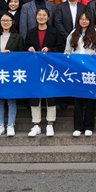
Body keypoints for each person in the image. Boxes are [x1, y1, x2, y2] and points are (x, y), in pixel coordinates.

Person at [25, 8, 65, 137]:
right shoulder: (31, 32)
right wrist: (29, 49)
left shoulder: (54, 32)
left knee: (50, 95)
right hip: (34, 68)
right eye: (39, 15)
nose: (41, 17)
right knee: (34, 95)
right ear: (36, 17)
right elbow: (24, 47)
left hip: (50, 68)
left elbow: (61, 48)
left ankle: (50, 123)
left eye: (44, 15)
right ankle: (36, 124)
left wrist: (50, 49)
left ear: (48, 17)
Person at [65, 12, 96, 137]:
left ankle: (89, 126)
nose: (84, 21)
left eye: (86, 19)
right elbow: (66, 51)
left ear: (90, 21)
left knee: (89, 99)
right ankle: (78, 127)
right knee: (77, 99)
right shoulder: (72, 34)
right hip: (76, 70)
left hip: (90, 70)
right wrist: (68, 55)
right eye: (81, 19)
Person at [0, 12, 25, 137]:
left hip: (12, 71)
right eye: (3, 20)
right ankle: (0, 125)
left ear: (13, 22)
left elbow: (22, 55)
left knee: (11, 98)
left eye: (8, 20)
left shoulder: (18, 37)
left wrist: (11, 54)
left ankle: (11, 125)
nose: (6, 22)